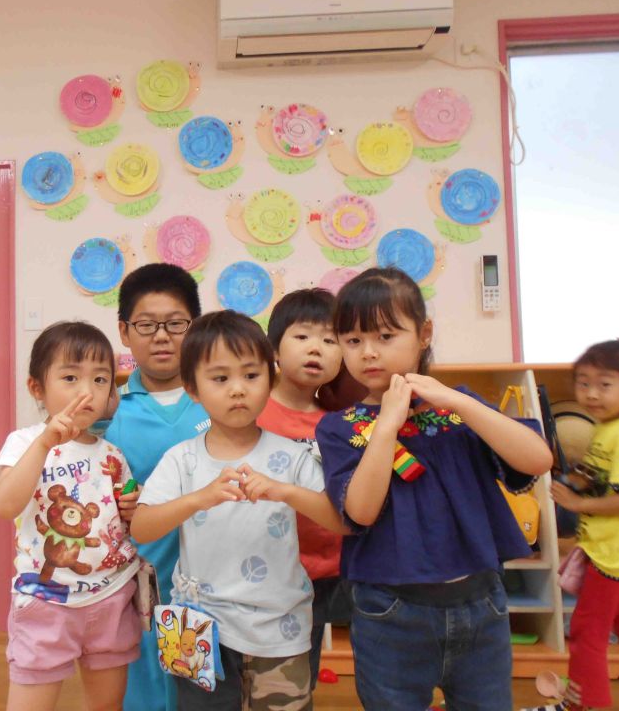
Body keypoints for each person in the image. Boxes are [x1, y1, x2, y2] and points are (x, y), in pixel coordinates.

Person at [317, 267, 553, 710]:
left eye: (385, 336)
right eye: (352, 340)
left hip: (481, 601)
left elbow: (538, 459)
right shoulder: (339, 427)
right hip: (388, 610)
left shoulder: (460, 408)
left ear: (423, 334)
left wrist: (458, 400)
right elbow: (361, 511)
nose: (368, 352)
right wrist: (386, 425)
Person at [132, 310, 346, 711]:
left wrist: (285, 492)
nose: (237, 390)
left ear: (271, 379)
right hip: (195, 625)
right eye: (219, 378)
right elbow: (142, 528)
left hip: (279, 627)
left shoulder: (292, 456)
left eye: (251, 375)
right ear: (192, 389)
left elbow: (340, 521)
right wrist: (200, 497)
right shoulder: (181, 459)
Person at [0, 321, 142, 711]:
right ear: (36, 388)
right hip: (46, 600)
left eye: (100, 379)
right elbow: (4, 505)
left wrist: (132, 506)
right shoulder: (24, 442)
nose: (86, 392)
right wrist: (45, 443)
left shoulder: (112, 454)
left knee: (107, 705)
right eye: (71, 377)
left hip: (110, 596)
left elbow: (122, 523)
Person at [104, 263, 211, 711]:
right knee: (143, 691)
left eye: (176, 324)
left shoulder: (221, 398)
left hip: (208, 587)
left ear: (196, 327)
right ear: (125, 332)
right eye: (147, 325)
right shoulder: (108, 411)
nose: (162, 337)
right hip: (138, 587)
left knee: (196, 691)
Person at [257, 289, 356, 689]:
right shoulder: (253, 412)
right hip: (278, 571)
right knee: (289, 675)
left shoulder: (342, 421)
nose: (316, 348)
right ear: (274, 349)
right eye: (302, 336)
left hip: (341, 565)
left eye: (330, 340)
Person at [522, 339, 619, 711]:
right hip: (603, 550)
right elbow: (593, 473)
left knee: (586, 633)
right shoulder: (606, 428)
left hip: (612, 557)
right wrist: (568, 480)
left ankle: (583, 705)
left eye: (604, 384)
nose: (591, 394)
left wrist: (578, 503)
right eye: (583, 383)